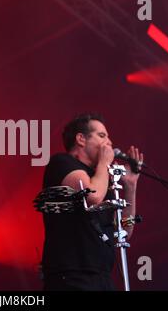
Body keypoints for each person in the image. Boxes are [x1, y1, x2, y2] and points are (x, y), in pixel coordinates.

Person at [41, 113, 143, 291]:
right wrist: (104, 162)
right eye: (102, 136)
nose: (109, 143)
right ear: (81, 138)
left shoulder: (102, 180)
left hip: (102, 278)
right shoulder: (61, 163)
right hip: (71, 277)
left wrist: (130, 186)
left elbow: (124, 230)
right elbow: (92, 196)